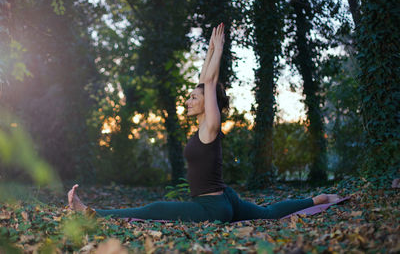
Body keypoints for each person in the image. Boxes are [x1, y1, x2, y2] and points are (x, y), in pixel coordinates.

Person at [68, 23, 340, 223]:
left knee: (152, 210)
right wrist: (210, 48)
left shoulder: (211, 126)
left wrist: (219, 50)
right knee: (267, 213)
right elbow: (204, 79)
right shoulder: (203, 127)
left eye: (192, 98)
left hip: (213, 208)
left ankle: (91, 213)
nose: (187, 100)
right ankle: (317, 200)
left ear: (207, 104)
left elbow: (208, 82)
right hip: (226, 198)